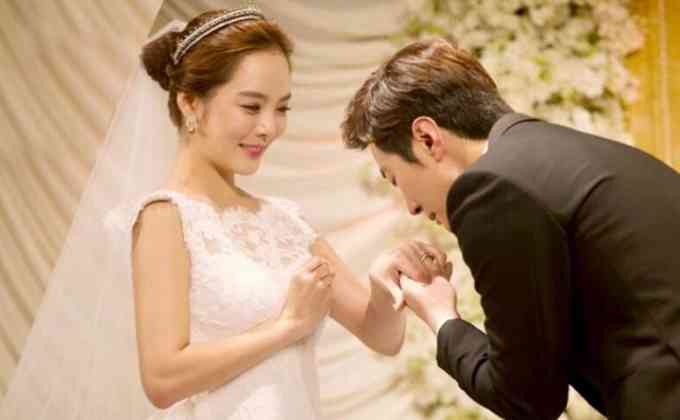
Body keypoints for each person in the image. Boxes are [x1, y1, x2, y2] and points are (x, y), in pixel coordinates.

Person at [0, 8, 449, 420]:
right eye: (251, 106)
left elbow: (380, 336)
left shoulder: (285, 221)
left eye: (281, 108)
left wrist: (387, 280)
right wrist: (286, 326)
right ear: (190, 103)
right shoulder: (165, 217)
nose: (269, 127)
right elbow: (162, 378)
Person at [341, 38, 680, 420]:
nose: (411, 206)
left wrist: (440, 315)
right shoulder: (557, 149)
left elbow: (526, 398)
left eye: (394, 178)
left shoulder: (492, 187)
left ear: (427, 138)